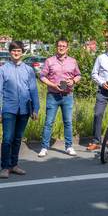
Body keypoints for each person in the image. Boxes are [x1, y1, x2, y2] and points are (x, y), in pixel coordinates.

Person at [0, 41, 40, 179]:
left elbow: (33, 90)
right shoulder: (3, 69)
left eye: (18, 50)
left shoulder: (28, 70)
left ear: (22, 52)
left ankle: (13, 165)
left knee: (17, 139)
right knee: (7, 139)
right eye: (13, 50)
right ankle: (4, 167)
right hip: (8, 109)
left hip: (24, 109)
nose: (16, 53)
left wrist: (36, 108)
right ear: (10, 52)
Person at [38, 38, 82, 157]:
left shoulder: (73, 61)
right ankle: (44, 147)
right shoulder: (49, 61)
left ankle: (69, 146)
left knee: (68, 122)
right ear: (56, 47)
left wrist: (73, 81)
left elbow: (78, 75)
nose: (61, 48)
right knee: (49, 122)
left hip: (68, 95)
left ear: (67, 48)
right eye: (59, 46)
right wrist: (53, 85)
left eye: (63, 46)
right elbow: (41, 76)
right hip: (53, 95)